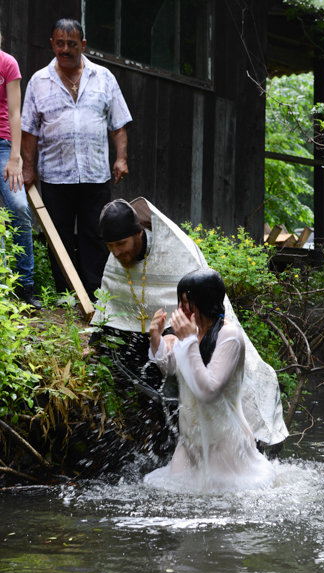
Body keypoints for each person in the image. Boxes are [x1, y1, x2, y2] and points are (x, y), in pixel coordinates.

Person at [92, 196, 288, 448]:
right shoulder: (116, 258)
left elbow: (199, 317)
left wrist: (177, 336)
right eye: (110, 246)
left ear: (139, 233)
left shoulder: (176, 251)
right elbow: (109, 305)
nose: (117, 252)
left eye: (121, 243)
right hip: (157, 345)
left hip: (198, 339)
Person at [21, 18, 132, 300]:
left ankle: (94, 293)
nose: (65, 49)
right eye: (60, 43)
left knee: (94, 234)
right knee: (58, 237)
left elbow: (118, 125)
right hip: (56, 175)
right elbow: (30, 132)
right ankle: (66, 295)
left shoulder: (104, 77)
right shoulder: (38, 82)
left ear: (83, 45)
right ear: (52, 44)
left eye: (72, 44)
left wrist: (121, 158)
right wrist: (28, 167)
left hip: (95, 174)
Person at [144, 268, 277, 492]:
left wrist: (186, 342)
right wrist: (156, 339)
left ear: (204, 303)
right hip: (191, 439)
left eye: (186, 303)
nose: (179, 310)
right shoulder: (190, 333)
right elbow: (171, 368)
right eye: (179, 302)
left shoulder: (230, 336)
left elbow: (208, 391)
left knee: (220, 507)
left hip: (224, 442)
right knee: (168, 494)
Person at [0, 32, 41, 309]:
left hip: (4, 147)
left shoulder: (8, 64)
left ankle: (25, 284)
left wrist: (16, 158)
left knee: (18, 206)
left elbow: (16, 113)